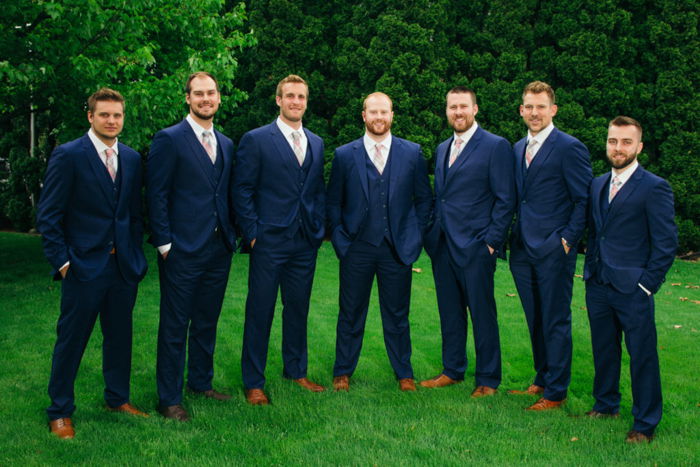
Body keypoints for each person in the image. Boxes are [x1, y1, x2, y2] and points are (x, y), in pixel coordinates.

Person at [36, 88, 149, 439]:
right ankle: (59, 411)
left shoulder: (131, 158)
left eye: (117, 115)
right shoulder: (68, 155)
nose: (112, 121)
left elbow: (134, 213)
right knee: (71, 340)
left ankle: (117, 398)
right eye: (104, 115)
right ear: (91, 116)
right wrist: (64, 263)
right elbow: (49, 216)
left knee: (119, 338)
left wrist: (134, 254)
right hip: (83, 268)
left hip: (122, 270)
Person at [326, 92, 432, 392]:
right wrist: (340, 239)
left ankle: (404, 373)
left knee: (397, 314)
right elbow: (333, 202)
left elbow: (424, 200)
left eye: (384, 112)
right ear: (363, 116)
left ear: (392, 114)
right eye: (373, 112)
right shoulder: (346, 154)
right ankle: (343, 371)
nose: (379, 117)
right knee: (350, 312)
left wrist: (416, 234)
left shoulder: (411, 153)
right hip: (356, 247)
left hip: (396, 249)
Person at [146, 72, 236, 421]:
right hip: (181, 250)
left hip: (218, 248)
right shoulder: (169, 139)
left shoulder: (226, 143)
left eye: (211, 93)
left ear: (218, 98)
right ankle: (169, 398)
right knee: (174, 324)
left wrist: (231, 236)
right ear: (187, 98)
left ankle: (201, 382)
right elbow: (156, 193)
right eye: (198, 94)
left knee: (206, 321)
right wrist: (165, 243)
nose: (205, 99)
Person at [234, 74, 326, 405]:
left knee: (297, 308)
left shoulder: (316, 142)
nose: (295, 101)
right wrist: (253, 235)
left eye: (301, 96)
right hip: (269, 240)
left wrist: (318, 228)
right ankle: (253, 381)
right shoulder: (257, 139)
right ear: (278, 100)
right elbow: (242, 189)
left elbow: (315, 190)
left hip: (304, 241)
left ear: (306, 101)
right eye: (289, 96)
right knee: (260, 310)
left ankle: (296, 371)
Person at [583, 116, 677, 443]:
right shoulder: (596, 184)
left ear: (639, 146)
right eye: (613, 141)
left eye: (625, 142)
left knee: (642, 355)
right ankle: (606, 404)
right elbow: (597, 234)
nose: (618, 148)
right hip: (598, 284)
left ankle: (645, 422)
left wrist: (646, 284)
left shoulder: (654, 187)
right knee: (604, 350)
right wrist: (591, 272)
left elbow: (666, 243)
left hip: (634, 289)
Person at [421, 87, 515, 397]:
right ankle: (453, 370)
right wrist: (432, 233)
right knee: (449, 312)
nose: (457, 112)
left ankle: (488, 379)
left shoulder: (495, 146)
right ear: (446, 111)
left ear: (475, 109)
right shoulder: (443, 147)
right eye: (452, 107)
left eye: (463, 106)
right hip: (443, 244)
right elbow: (442, 196)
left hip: (476, 246)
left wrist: (491, 242)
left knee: (482, 313)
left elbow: (505, 199)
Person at [508, 81, 592, 410]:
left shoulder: (569, 147)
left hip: (554, 249)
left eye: (540, 106)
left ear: (553, 109)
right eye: (528, 106)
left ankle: (556, 392)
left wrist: (567, 240)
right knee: (535, 318)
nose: (534, 113)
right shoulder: (517, 148)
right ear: (521, 110)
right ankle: (541, 379)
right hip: (523, 250)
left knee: (555, 319)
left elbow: (582, 199)